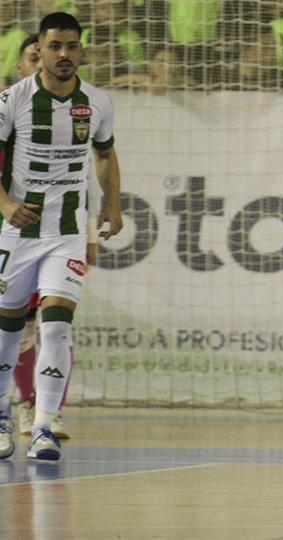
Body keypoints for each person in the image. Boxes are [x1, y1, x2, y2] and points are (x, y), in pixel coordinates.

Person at [0, 12, 123, 461]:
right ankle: (1, 415)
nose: (64, 54)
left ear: (80, 49)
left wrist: (113, 203)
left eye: (72, 46)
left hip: (66, 231)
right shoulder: (12, 101)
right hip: (17, 231)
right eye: (55, 46)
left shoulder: (97, 102)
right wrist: (7, 206)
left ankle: (45, 427)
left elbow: (105, 155)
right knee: (9, 327)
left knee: (56, 323)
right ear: (42, 50)